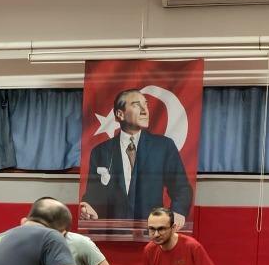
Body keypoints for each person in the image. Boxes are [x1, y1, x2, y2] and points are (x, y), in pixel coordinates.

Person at [79, 89, 193, 227]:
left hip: (152, 231)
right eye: (137, 105)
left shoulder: (163, 146)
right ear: (120, 114)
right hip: (112, 233)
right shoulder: (100, 152)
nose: (145, 111)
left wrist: (178, 212)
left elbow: (182, 188)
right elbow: (93, 194)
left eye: (146, 105)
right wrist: (88, 209)